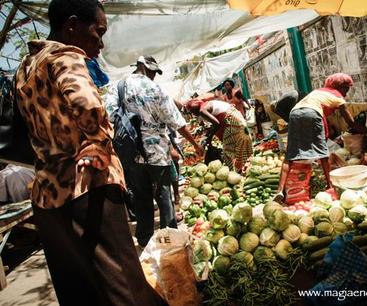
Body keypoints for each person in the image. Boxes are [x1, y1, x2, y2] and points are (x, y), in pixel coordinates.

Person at [14, 1, 166, 305]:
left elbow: (22, 131)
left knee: (81, 290)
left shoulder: (25, 68)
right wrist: (98, 142)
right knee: (123, 285)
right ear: (72, 26)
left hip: (47, 198)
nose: (100, 42)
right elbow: (88, 107)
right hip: (87, 185)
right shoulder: (65, 57)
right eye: (98, 32)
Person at [104, 55, 203, 247]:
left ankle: (145, 240)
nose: (153, 76)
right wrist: (196, 144)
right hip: (157, 153)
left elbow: (108, 115)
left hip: (132, 153)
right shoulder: (156, 89)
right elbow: (177, 121)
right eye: (152, 72)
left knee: (141, 198)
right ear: (144, 67)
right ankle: (170, 239)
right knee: (164, 196)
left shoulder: (119, 86)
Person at [273, 73, 367, 203]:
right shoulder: (338, 98)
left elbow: (321, 118)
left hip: (294, 113)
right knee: (323, 154)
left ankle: (279, 191)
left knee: (290, 155)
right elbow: (352, 124)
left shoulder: (318, 92)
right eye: (346, 89)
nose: (346, 93)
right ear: (341, 87)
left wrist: (325, 135)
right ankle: (330, 185)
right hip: (312, 113)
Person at [185, 98, 252, 173]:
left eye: (191, 112)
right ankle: (241, 169)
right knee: (238, 146)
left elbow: (216, 124)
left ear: (194, 110)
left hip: (233, 124)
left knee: (228, 151)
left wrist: (209, 139)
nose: (193, 114)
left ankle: (233, 172)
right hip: (238, 121)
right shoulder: (208, 103)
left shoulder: (202, 111)